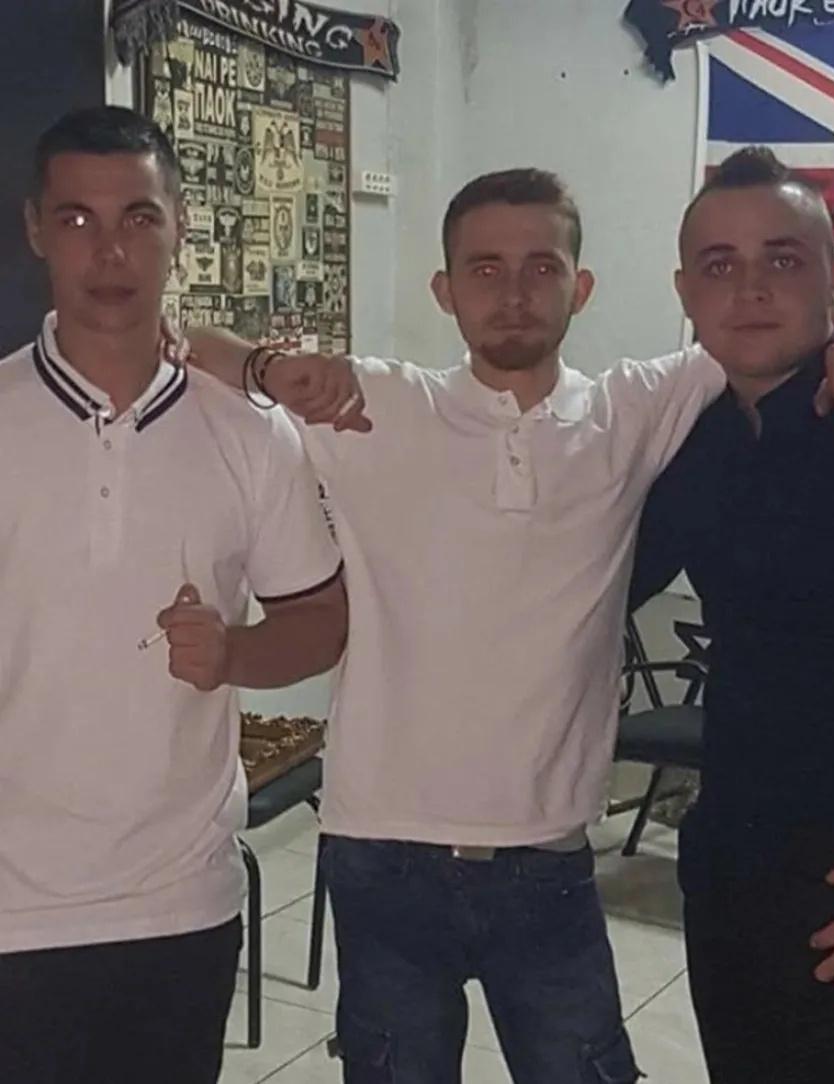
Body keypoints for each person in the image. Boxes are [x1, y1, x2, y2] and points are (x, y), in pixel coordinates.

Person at [186, 167, 834, 1084]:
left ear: (581, 286)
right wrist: (266, 366)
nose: (514, 293)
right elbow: (184, 347)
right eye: (484, 269)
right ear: (444, 290)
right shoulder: (373, 403)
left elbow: (805, 313)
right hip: (382, 852)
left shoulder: (634, 408)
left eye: (541, 267)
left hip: (552, 856)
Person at [0, 106, 356, 1084]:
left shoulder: (250, 434)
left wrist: (236, 653)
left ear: (180, 225)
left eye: (138, 217)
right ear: (35, 229)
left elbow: (320, 620)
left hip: (179, 899)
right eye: (77, 219)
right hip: (11, 905)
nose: (109, 250)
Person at [629, 146, 834, 1083]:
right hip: (735, 869)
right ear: (685, 292)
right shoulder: (692, 441)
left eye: (782, 259)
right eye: (719, 265)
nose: (749, 289)